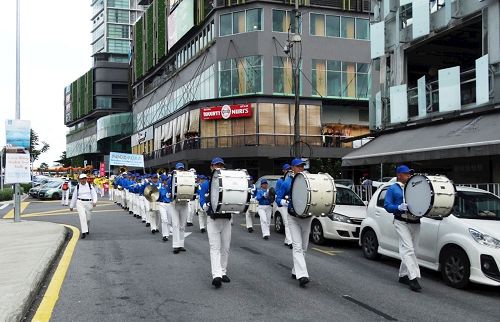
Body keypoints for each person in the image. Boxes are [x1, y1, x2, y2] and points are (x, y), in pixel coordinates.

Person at [384, 165, 422, 292]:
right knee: (408, 248)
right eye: (406, 174)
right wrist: (398, 208)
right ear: (399, 175)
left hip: (415, 222)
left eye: (410, 174)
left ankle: (402, 275)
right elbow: (387, 205)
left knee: (414, 250)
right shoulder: (392, 189)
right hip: (401, 221)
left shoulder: (414, 187)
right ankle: (413, 277)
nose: (409, 176)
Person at [276, 158, 311, 287]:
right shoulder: (286, 183)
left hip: (307, 217)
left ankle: (296, 270)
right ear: (292, 168)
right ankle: (302, 276)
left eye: (302, 166)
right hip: (293, 217)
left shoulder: (309, 180)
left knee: (304, 248)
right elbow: (278, 199)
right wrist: (285, 202)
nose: (301, 169)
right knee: (297, 246)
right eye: (298, 167)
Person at [199, 157, 233, 288]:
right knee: (215, 248)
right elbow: (201, 198)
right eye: (216, 165)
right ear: (211, 167)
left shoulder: (228, 182)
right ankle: (216, 275)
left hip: (226, 218)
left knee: (226, 247)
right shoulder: (206, 184)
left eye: (221, 165)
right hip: (213, 219)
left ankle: (223, 272)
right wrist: (204, 206)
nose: (219, 167)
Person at [70, 173, 98, 239]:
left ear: (86, 179)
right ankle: (84, 232)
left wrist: (94, 202)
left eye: (84, 179)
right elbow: (74, 196)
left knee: (88, 219)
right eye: (82, 179)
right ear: (79, 180)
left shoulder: (90, 186)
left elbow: (94, 194)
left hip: (89, 203)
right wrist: (71, 206)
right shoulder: (77, 187)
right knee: (82, 217)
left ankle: (87, 227)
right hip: (80, 202)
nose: (83, 180)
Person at [171, 163, 190, 253]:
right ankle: (175, 245)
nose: (180, 170)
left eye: (182, 169)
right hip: (174, 204)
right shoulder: (171, 178)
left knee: (182, 225)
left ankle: (181, 244)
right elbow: (168, 190)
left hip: (184, 203)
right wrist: (168, 194)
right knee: (175, 225)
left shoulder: (188, 179)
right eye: (179, 169)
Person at [276, 164, 293, 248]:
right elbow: (278, 193)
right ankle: (290, 242)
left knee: (290, 222)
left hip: (291, 204)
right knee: (287, 222)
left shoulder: (292, 179)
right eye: (287, 169)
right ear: (283, 171)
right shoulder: (281, 181)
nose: (288, 171)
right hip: (283, 204)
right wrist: (283, 201)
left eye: (290, 169)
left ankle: (287, 240)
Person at [158, 174, 173, 242]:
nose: (166, 181)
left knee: (169, 220)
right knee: (164, 219)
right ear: (162, 181)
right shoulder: (160, 188)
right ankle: (165, 235)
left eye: (167, 179)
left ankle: (167, 232)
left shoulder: (171, 188)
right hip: (162, 204)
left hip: (170, 204)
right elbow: (157, 197)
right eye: (165, 180)